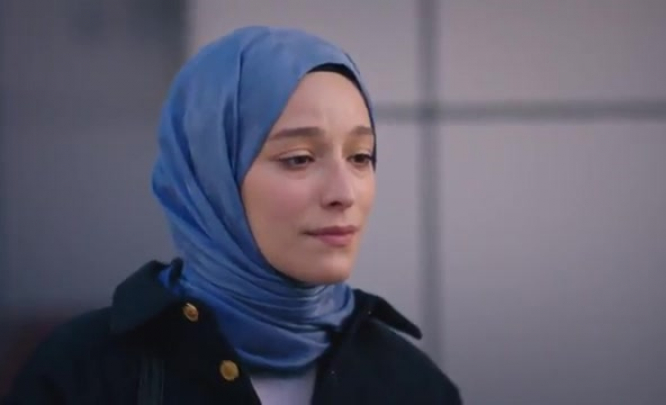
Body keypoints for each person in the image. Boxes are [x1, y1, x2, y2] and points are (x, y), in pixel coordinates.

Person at [2, 26, 462, 404]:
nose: (344, 193)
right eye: (299, 158)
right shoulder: (82, 376)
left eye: (360, 157)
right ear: (209, 177)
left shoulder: (413, 386)